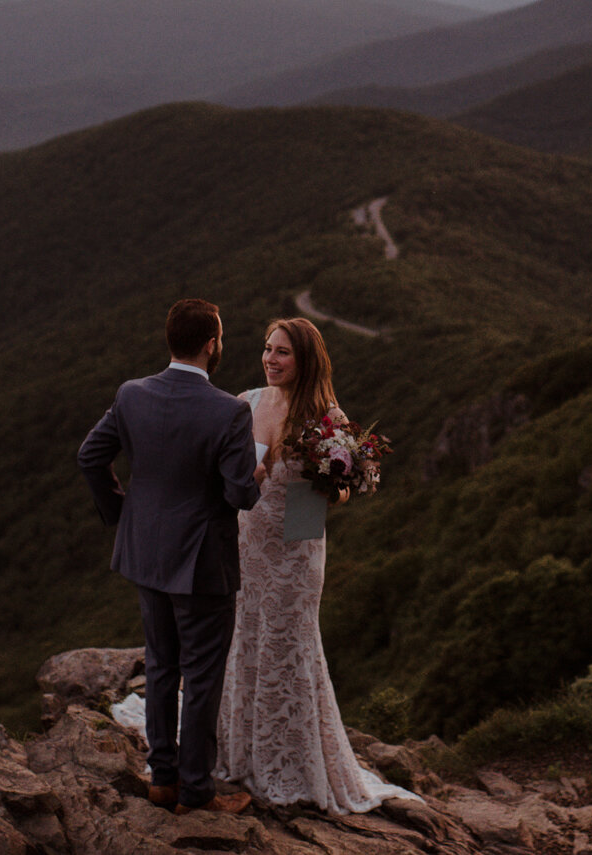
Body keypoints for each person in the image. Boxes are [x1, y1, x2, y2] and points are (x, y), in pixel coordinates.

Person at [215, 316, 408, 813]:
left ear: (305, 359)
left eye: (282, 352)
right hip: (245, 544)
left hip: (296, 553)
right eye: (266, 348)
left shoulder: (327, 417)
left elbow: (341, 492)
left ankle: (291, 762)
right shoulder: (245, 402)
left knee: (287, 648)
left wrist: (334, 483)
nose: (270, 359)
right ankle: (241, 754)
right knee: (245, 640)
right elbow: (218, 469)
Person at [78, 299, 260, 816]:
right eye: (220, 337)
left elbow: (90, 456)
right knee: (201, 676)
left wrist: (124, 513)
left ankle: (162, 779)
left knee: (161, 666)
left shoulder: (132, 394)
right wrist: (258, 475)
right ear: (211, 344)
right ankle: (198, 791)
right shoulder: (229, 410)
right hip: (202, 563)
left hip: (145, 553)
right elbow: (240, 496)